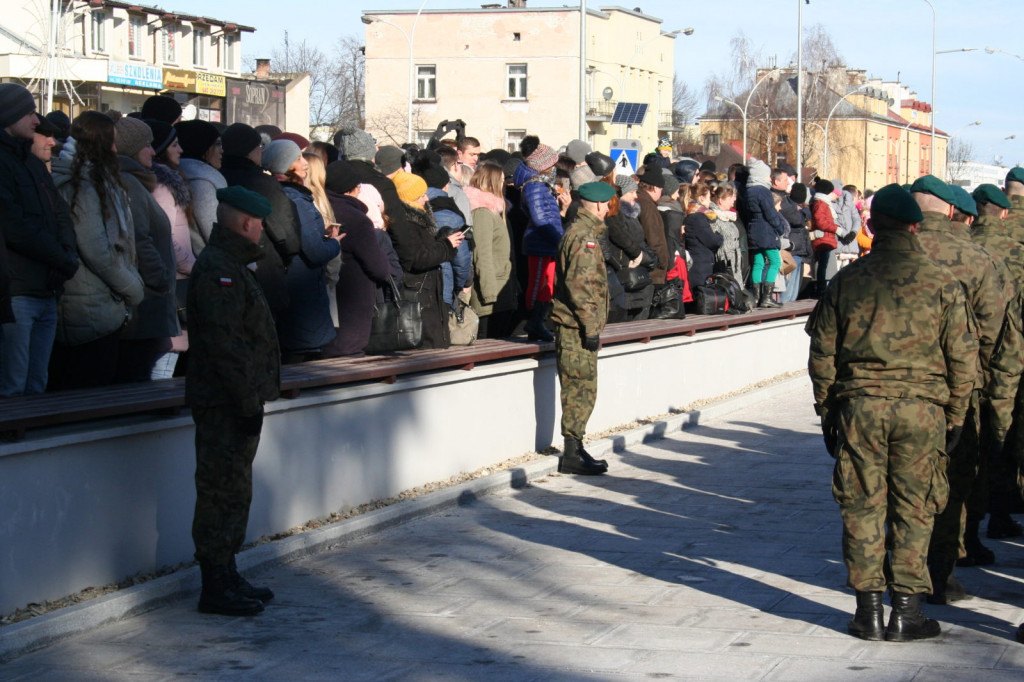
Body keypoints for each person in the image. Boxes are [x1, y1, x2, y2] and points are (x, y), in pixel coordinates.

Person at [806, 183, 977, 642]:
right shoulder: (943, 283)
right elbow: (963, 359)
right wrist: (957, 417)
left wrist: (828, 410)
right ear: (915, 227)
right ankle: (907, 611)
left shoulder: (848, 280)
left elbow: (821, 353)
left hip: (861, 408)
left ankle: (868, 612)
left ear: (872, 225)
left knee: (862, 506)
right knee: (915, 507)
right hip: (923, 411)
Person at [187, 186, 280, 617]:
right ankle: (215, 583)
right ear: (246, 223)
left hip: (235, 399)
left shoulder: (231, 265)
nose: (261, 230)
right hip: (223, 401)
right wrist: (246, 400)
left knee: (234, 489)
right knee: (219, 490)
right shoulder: (219, 269)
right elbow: (227, 344)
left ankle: (227, 573)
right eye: (259, 222)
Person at [49, 111, 145, 390]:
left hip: (97, 304)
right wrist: (132, 287)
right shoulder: (82, 186)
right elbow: (96, 249)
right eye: (112, 143)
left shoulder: (95, 180)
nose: (116, 150)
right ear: (100, 144)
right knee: (86, 396)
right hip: (89, 309)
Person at [0, 83, 79, 395]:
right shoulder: (5, 163)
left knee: (36, 385)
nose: (36, 121)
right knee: (14, 386)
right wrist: (62, 257)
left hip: (46, 287)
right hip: (16, 292)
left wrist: (67, 254)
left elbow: (59, 213)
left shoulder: (29, 162)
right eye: (28, 113)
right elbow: (14, 225)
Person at [550, 181, 616, 476]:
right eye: (608, 206)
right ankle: (572, 453)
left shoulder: (582, 233)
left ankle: (576, 447)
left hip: (577, 324)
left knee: (582, 386)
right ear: (600, 206)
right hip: (575, 326)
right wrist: (590, 326)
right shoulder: (582, 239)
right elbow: (581, 286)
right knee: (579, 387)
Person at [263, 139, 342, 362]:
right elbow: (314, 251)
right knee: (303, 363)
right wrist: (334, 243)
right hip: (303, 292)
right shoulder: (296, 199)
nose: (305, 162)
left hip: (294, 287)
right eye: (298, 158)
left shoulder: (281, 194)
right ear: (287, 166)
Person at [113, 116, 177, 382]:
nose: (153, 151)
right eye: (147, 145)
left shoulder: (136, 181)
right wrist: (161, 279)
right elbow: (140, 239)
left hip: (148, 301)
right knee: (138, 382)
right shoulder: (129, 183)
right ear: (130, 147)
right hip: (145, 304)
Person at [389, 170, 464, 349]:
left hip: (427, 291)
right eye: (420, 195)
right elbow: (418, 258)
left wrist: (442, 239)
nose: (426, 199)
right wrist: (446, 245)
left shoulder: (417, 220)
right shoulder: (406, 224)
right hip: (418, 293)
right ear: (408, 199)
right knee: (426, 346)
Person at [324, 160, 391, 357]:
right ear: (353, 188)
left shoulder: (320, 209)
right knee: (347, 353)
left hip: (326, 298)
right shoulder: (357, 219)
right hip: (353, 298)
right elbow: (377, 267)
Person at [147, 119, 194, 379]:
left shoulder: (166, 182)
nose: (181, 150)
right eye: (175, 144)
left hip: (173, 282)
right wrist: (192, 264)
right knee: (162, 371)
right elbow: (162, 235)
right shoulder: (163, 186)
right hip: (173, 285)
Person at [464, 161, 517, 338]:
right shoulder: (482, 213)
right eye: (501, 180)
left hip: (500, 289)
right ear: (492, 182)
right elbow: (482, 255)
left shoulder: (495, 211)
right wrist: (489, 294)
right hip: (491, 296)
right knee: (488, 342)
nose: (504, 184)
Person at [741, 160, 787, 308]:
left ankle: (756, 296)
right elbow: (770, 213)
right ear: (761, 176)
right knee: (775, 262)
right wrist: (780, 228)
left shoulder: (748, 191)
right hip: (766, 231)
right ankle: (767, 297)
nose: (769, 179)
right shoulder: (763, 191)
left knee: (758, 263)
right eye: (768, 176)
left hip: (753, 231)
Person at [175, 120, 225, 255]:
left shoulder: (186, 174)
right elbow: (215, 235)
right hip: (210, 266)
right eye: (217, 144)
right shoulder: (201, 183)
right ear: (202, 146)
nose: (222, 150)